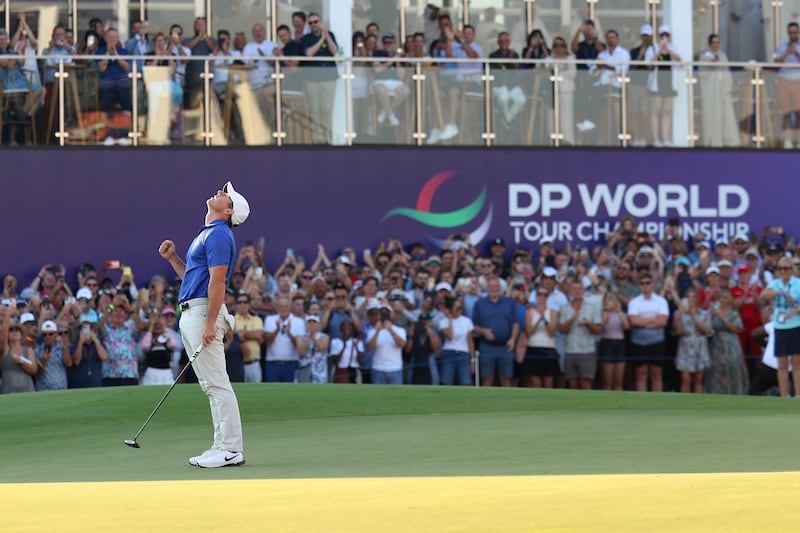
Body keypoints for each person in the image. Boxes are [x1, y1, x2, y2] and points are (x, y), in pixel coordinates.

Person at [158, 181, 249, 468]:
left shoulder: (220, 235)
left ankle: (231, 449)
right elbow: (195, 279)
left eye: (226, 194)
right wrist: (173, 259)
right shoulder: (209, 233)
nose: (220, 192)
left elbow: (218, 282)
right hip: (192, 312)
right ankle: (221, 445)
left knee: (217, 383)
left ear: (229, 210)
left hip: (202, 315)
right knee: (210, 385)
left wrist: (210, 322)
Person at [759, 256, 800, 397]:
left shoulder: (797, 283)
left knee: (796, 363)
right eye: (781, 268)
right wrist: (781, 292)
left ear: (791, 270)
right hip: (780, 327)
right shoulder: (775, 283)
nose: (783, 271)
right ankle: (784, 396)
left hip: (795, 325)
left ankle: (798, 395)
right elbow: (763, 295)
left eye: (786, 268)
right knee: (782, 364)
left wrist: (794, 310)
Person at [472, 276, 519, 387]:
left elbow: (515, 323)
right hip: (486, 347)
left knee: (506, 379)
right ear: (487, 288)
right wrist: (484, 331)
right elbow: (473, 326)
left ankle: (507, 404)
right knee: (487, 379)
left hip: (505, 346)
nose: (494, 289)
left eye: (496, 286)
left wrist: (513, 339)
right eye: (491, 286)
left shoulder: (509, 303)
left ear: (500, 288)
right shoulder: (479, 304)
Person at [627, 272, 669, 391]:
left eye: (647, 283)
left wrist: (643, 322)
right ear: (639, 285)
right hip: (639, 343)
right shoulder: (634, 302)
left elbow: (663, 321)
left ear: (652, 284)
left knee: (656, 373)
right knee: (641, 373)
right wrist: (652, 320)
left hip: (657, 343)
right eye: (642, 283)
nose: (645, 285)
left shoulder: (661, 301)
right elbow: (633, 321)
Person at [301, 13, 339, 143]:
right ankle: (317, 139)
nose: (313, 25)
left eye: (315, 22)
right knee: (315, 109)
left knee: (327, 109)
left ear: (320, 22)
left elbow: (334, 51)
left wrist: (326, 36)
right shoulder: (306, 38)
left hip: (329, 78)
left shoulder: (330, 35)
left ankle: (328, 138)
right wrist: (322, 39)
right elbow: (309, 54)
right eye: (310, 23)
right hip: (312, 80)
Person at [558, 279, 602, 390]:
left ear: (583, 291)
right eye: (574, 289)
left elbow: (598, 329)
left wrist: (588, 324)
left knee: (586, 383)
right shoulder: (564, 308)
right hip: (570, 350)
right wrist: (571, 320)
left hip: (587, 351)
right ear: (570, 291)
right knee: (572, 384)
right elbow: (561, 330)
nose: (577, 291)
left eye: (579, 289)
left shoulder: (592, 307)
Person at [698, 34, 739, 147]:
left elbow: (726, 71)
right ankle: (714, 141)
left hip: (723, 89)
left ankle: (728, 140)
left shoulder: (723, 56)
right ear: (710, 44)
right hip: (712, 91)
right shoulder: (705, 56)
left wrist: (730, 85)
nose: (716, 45)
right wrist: (711, 63)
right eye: (714, 43)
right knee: (713, 115)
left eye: (718, 42)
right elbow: (702, 73)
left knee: (726, 114)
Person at [645, 25, 682, 147]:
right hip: (657, 83)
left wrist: (669, 51)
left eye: (667, 35)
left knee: (666, 112)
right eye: (662, 35)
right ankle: (656, 139)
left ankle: (665, 138)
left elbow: (680, 61)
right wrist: (660, 51)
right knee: (655, 111)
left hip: (669, 83)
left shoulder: (674, 48)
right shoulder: (653, 48)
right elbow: (648, 65)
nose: (664, 38)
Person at [706, 289, 748, 394]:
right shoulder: (714, 312)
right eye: (720, 298)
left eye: (724, 298)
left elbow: (736, 328)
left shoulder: (733, 313)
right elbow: (708, 328)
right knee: (716, 369)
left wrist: (722, 317)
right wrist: (712, 316)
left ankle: (735, 392)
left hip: (731, 344)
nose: (721, 300)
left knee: (733, 367)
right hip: (717, 344)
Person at [673, 288, 712, 393]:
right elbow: (678, 331)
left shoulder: (704, 314)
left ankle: (698, 405)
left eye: (693, 297)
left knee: (698, 379)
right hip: (685, 347)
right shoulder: (678, 313)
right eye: (688, 297)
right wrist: (680, 315)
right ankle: (685, 404)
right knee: (685, 379)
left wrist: (694, 317)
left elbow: (707, 330)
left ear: (697, 299)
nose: (691, 300)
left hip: (700, 346)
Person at [263, 296, 308, 382]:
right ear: (277, 307)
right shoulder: (270, 319)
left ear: (290, 307)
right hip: (272, 363)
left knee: (290, 392)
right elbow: (267, 342)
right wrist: (276, 330)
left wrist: (289, 334)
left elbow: (300, 347)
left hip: (291, 363)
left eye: (286, 306)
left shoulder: (299, 322)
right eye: (281, 306)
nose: (283, 309)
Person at [524, 286, 559, 388]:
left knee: (549, 382)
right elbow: (529, 332)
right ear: (536, 296)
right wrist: (539, 319)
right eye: (540, 294)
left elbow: (552, 333)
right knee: (535, 382)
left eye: (545, 295)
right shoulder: (529, 312)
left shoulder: (553, 312)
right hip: (534, 347)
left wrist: (545, 320)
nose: (542, 297)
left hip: (549, 348)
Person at [437, 296, 474, 386]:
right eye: (457, 308)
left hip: (463, 353)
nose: (459, 310)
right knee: (446, 382)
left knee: (465, 382)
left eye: (460, 307)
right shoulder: (443, 322)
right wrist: (450, 319)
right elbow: (450, 336)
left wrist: (472, 360)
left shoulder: (467, 321)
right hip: (449, 352)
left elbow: (470, 341)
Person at [774, 22, 800, 149]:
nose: (792, 35)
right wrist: (785, 54)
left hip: (798, 81)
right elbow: (775, 63)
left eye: (794, 33)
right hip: (784, 81)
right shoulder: (782, 46)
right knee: (786, 112)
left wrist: (797, 53)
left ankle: (798, 140)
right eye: (790, 33)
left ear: (798, 32)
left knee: (799, 113)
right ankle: (788, 141)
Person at [0, 304, 36, 393]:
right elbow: (2, 337)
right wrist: (8, 315)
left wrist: (20, 360)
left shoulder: (28, 350)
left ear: (21, 333)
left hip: (28, 392)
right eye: (11, 330)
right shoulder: (4, 350)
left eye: (17, 329)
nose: (14, 332)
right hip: (8, 393)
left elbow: (34, 370)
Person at [95, 28, 132, 113]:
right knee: (105, 102)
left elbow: (126, 67)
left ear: (118, 39)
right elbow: (102, 68)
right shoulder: (100, 52)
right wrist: (108, 53)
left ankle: (126, 123)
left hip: (121, 84)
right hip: (106, 84)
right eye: (110, 37)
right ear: (105, 38)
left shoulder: (123, 51)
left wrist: (116, 54)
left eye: (114, 37)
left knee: (127, 102)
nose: (112, 39)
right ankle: (106, 122)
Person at [598, 290, 629, 391]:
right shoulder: (602, 313)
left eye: (612, 298)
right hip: (607, 343)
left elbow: (626, 327)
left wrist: (619, 312)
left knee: (618, 381)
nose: (610, 301)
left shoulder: (621, 314)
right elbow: (599, 329)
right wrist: (605, 315)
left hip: (619, 343)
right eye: (608, 298)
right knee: (607, 381)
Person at [140, 309, 179, 385]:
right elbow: (145, 347)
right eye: (155, 325)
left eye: (159, 325)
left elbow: (173, 345)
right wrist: (151, 327)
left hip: (166, 373)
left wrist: (164, 327)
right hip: (151, 373)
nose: (157, 327)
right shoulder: (150, 339)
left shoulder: (167, 338)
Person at [69, 313, 108, 388]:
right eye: (83, 328)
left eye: (87, 328)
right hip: (78, 384)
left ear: (92, 329)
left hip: (95, 383)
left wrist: (95, 340)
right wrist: (81, 342)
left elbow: (104, 357)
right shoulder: (75, 345)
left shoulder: (99, 344)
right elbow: (76, 361)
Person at [233, 293, 264, 382]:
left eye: (245, 302)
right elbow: (230, 335)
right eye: (239, 302)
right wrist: (251, 335)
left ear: (249, 304)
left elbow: (259, 335)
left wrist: (239, 334)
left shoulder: (257, 319)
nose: (242, 305)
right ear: (236, 305)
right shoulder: (231, 320)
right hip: (237, 364)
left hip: (254, 364)